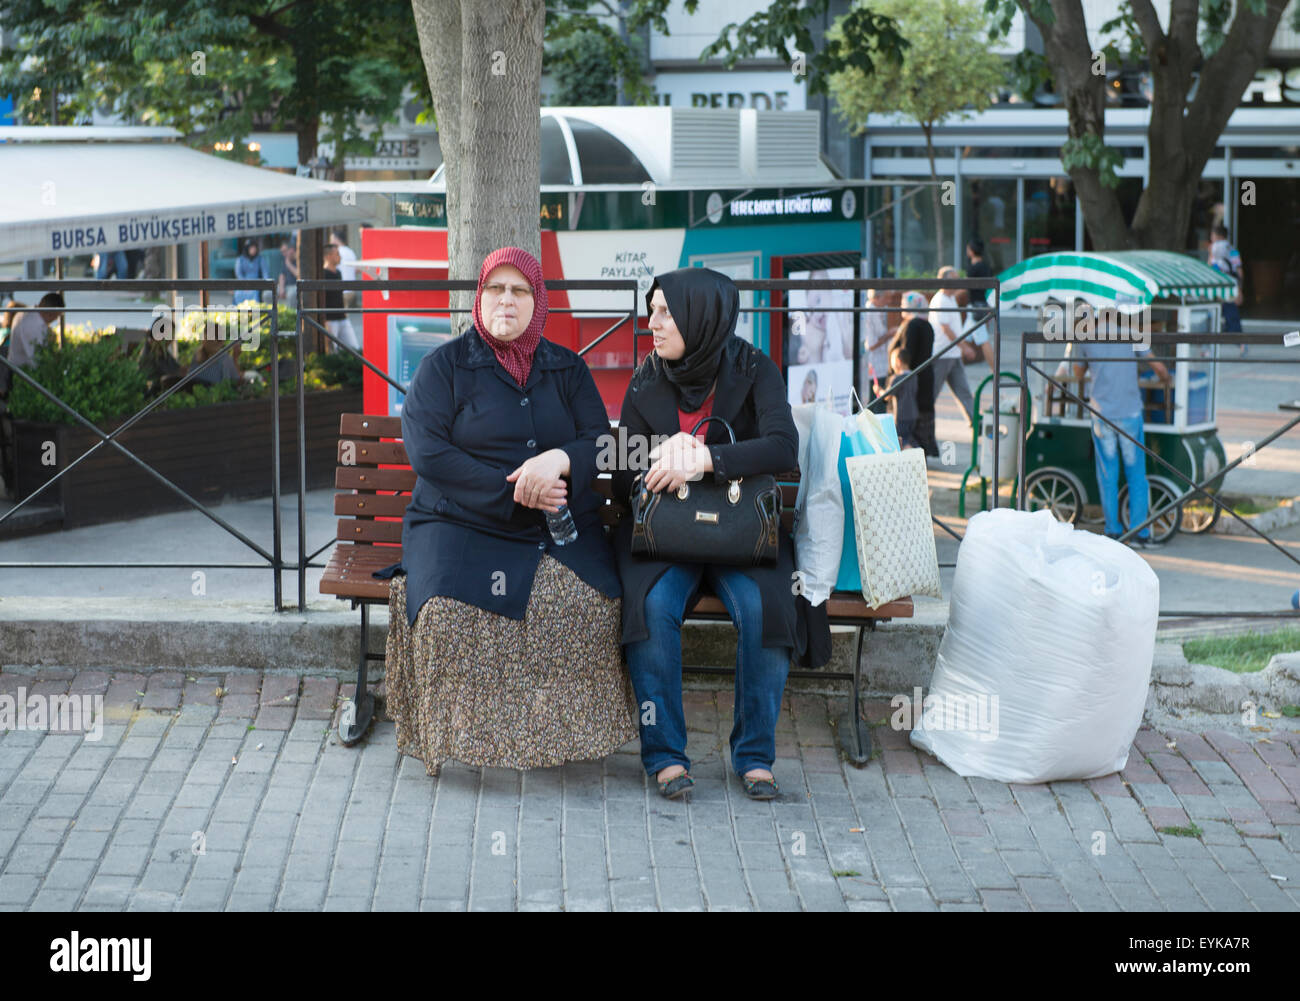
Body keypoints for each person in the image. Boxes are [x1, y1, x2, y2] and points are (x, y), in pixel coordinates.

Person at [375, 246, 637, 775]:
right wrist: (514, 489)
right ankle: (462, 737)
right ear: (480, 298)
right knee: (447, 614)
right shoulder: (443, 367)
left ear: (537, 302)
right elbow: (428, 453)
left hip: (555, 525)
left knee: (588, 606)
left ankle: (557, 735)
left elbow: (601, 442)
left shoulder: (566, 368)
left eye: (520, 290)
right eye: (496, 288)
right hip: (458, 523)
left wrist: (560, 460)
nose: (506, 300)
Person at [613, 266, 800, 802]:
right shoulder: (647, 377)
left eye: (666, 311)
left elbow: (783, 446)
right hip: (664, 534)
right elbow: (622, 469)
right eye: (652, 309)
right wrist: (662, 454)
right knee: (651, 608)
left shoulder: (754, 367)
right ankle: (666, 754)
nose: (653, 322)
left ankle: (755, 756)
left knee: (765, 608)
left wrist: (707, 459)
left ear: (702, 314)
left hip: (742, 532)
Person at [1072, 312, 1170, 549]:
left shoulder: (1083, 334)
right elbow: (1158, 367)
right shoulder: (1131, 330)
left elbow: (1077, 373)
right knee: (1136, 475)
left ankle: (1113, 532)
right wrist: (1165, 378)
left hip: (1101, 413)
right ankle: (1139, 533)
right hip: (1129, 413)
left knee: (1107, 475)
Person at [891, 291, 937, 456]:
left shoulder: (912, 326)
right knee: (920, 418)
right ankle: (921, 453)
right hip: (925, 379)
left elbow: (907, 354)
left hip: (911, 382)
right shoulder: (927, 324)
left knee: (908, 425)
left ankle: (913, 457)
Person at [928, 266, 975, 426]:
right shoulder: (940, 300)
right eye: (954, 279)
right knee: (932, 391)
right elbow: (946, 329)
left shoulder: (950, 297)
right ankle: (923, 420)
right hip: (943, 353)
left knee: (964, 390)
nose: (957, 282)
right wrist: (965, 347)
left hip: (952, 353)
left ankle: (975, 420)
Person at [1208, 223, 1245, 356]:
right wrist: (1240, 289)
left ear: (1217, 235)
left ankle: (1209, 349)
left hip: (1219, 287)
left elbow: (1210, 267)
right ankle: (1241, 345)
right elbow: (1239, 271)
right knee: (1231, 316)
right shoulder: (1232, 250)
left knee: (1215, 316)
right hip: (1230, 287)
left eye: (1212, 235)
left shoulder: (1214, 248)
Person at [7, 293, 64, 370]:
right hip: (20, 372)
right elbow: (37, 361)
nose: (55, 319)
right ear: (50, 314)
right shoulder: (31, 325)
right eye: (56, 316)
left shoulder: (31, 313)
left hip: (19, 368)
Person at [861, 287, 894, 414]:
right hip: (873, 364)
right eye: (886, 298)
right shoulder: (869, 312)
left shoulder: (880, 310)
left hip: (882, 363)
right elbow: (871, 344)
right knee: (876, 400)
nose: (888, 301)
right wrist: (888, 335)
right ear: (876, 298)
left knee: (880, 398)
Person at [322, 244, 359, 352]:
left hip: (342, 317)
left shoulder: (338, 272)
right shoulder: (323, 274)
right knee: (333, 350)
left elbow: (340, 293)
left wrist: (345, 310)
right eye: (337, 254)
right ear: (328, 256)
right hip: (330, 320)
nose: (340, 257)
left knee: (354, 348)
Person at [886, 344, 919, 449]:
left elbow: (887, 396)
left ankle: (912, 457)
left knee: (901, 439)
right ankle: (919, 454)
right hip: (913, 414)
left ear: (898, 361)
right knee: (909, 437)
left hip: (901, 415)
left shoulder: (897, 378)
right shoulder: (914, 376)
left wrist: (878, 391)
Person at [233, 240, 267, 306]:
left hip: (256, 284)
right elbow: (239, 274)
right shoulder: (240, 260)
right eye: (251, 248)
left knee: (255, 294)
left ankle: (255, 314)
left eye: (255, 248)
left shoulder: (260, 259)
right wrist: (245, 285)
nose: (253, 250)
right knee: (238, 294)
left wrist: (265, 284)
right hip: (243, 284)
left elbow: (265, 273)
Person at [331, 229, 358, 310]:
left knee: (341, 316)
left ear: (336, 239)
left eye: (332, 239)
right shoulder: (351, 251)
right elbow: (356, 270)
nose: (331, 241)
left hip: (342, 290)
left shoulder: (337, 252)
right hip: (352, 290)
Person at [276, 240, 299, 310]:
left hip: (295, 286)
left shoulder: (298, 259)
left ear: (292, 250)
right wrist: (281, 288)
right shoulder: (285, 259)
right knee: (267, 294)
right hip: (286, 286)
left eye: (285, 251)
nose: (283, 254)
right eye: (282, 252)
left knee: (291, 294)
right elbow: (282, 276)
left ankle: (291, 317)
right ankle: (274, 318)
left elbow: (298, 274)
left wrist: (289, 264)